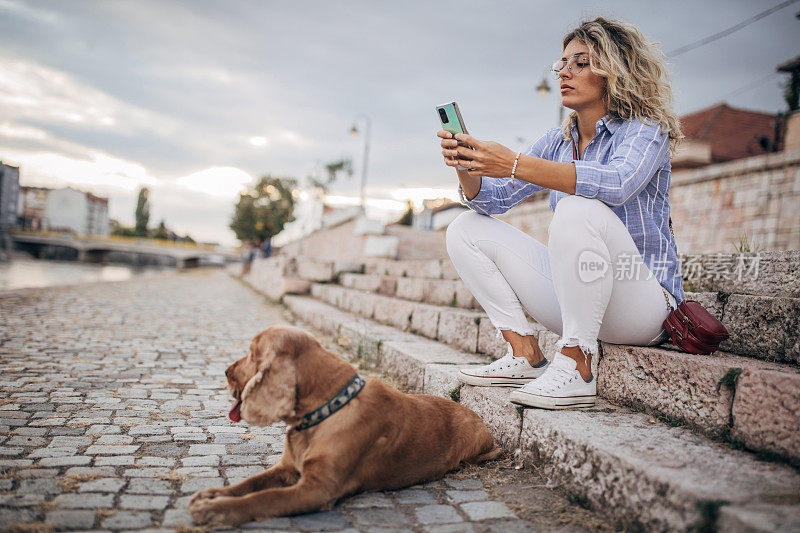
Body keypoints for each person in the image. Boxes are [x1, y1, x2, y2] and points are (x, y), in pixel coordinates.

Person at [437, 17, 684, 410]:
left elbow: (617, 183)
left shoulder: (644, 129)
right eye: (563, 63)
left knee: (576, 205)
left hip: (644, 304)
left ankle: (578, 367)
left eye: (581, 62)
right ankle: (524, 354)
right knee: (465, 228)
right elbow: (491, 202)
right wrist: (465, 165)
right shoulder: (558, 140)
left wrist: (516, 162)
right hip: (580, 299)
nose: (565, 72)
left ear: (614, 70)